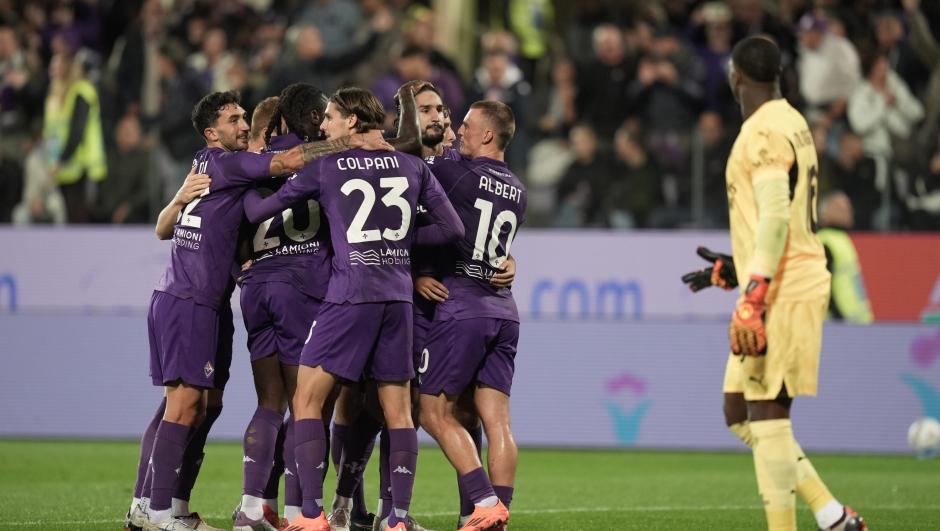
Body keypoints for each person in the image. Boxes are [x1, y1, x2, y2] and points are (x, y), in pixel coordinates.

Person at [132, 90, 392, 531]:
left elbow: (163, 229)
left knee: (210, 405)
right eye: (235, 120)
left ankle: (184, 505)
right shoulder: (242, 164)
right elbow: (286, 164)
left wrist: (178, 203)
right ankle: (160, 509)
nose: (244, 128)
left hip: (227, 298)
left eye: (247, 120)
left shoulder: (209, 166)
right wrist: (352, 140)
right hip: (201, 298)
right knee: (210, 404)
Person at [242, 86, 463, 531]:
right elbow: (453, 228)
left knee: (305, 400)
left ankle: (309, 516)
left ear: (351, 121)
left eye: (330, 118)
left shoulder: (327, 165)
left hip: (349, 294)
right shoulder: (414, 165)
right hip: (398, 297)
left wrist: (246, 192)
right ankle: (396, 519)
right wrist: (395, 243)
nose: (323, 126)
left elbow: (263, 210)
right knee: (399, 412)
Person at [714, 36, 866, 531]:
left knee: (768, 413)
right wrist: (735, 267)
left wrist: (754, 292)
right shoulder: (794, 120)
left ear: (737, 76)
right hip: (779, 276)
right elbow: (778, 220)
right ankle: (832, 515)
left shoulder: (761, 134)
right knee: (740, 409)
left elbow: (778, 217)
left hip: (784, 287)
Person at [418, 100, 525, 531]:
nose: (455, 130)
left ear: (487, 135)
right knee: (497, 421)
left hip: (462, 306)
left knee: (433, 413)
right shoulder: (518, 189)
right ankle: (497, 520)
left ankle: (485, 504)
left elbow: (411, 163)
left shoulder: (456, 172)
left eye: (464, 125)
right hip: (505, 310)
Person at [817, 192, 874, 324]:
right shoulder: (825, 242)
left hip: (854, 324)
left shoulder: (841, 239)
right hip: (838, 324)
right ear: (825, 212)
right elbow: (824, 285)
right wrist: (839, 317)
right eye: (841, 207)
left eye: (849, 207)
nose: (849, 211)